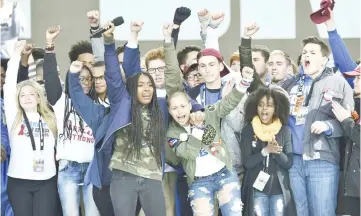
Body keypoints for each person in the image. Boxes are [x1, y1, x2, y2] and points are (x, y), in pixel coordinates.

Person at [163, 22, 254, 216]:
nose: (180, 111)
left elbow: (228, 104)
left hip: (227, 170)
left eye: (182, 106)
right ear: (169, 111)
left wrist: (244, 83)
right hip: (198, 180)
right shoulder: (175, 128)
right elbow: (188, 153)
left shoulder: (210, 108)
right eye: (174, 108)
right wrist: (167, 42)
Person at [282, 35, 354, 216]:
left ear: (324, 60)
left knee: (323, 212)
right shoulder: (289, 84)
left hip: (322, 159)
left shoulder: (338, 83)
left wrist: (328, 126)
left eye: (312, 52)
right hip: (293, 160)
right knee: (299, 212)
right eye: (305, 52)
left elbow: (349, 124)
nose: (307, 55)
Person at [42, 26, 99, 216]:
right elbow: (50, 77)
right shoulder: (61, 101)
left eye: (88, 80)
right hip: (69, 167)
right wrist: (50, 46)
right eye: (80, 79)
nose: (84, 82)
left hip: (93, 166)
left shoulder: (98, 103)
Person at [4, 40, 58, 216]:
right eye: (22, 95)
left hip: (46, 181)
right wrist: (15, 55)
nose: (27, 98)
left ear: (38, 97)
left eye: (31, 94)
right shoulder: (15, 118)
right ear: (18, 99)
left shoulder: (50, 118)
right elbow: (9, 85)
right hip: (19, 182)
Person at [240, 87, 296, 216]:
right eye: (261, 105)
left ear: (276, 109)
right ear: (255, 108)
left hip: (279, 190)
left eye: (269, 105)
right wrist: (265, 151)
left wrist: (276, 152)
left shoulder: (284, 131)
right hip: (257, 189)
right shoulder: (248, 130)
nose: (264, 109)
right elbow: (247, 163)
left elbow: (288, 163)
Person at [333, 64, 360, 216]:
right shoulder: (356, 104)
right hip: (352, 184)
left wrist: (346, 121)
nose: (354, 82)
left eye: (359, 78)